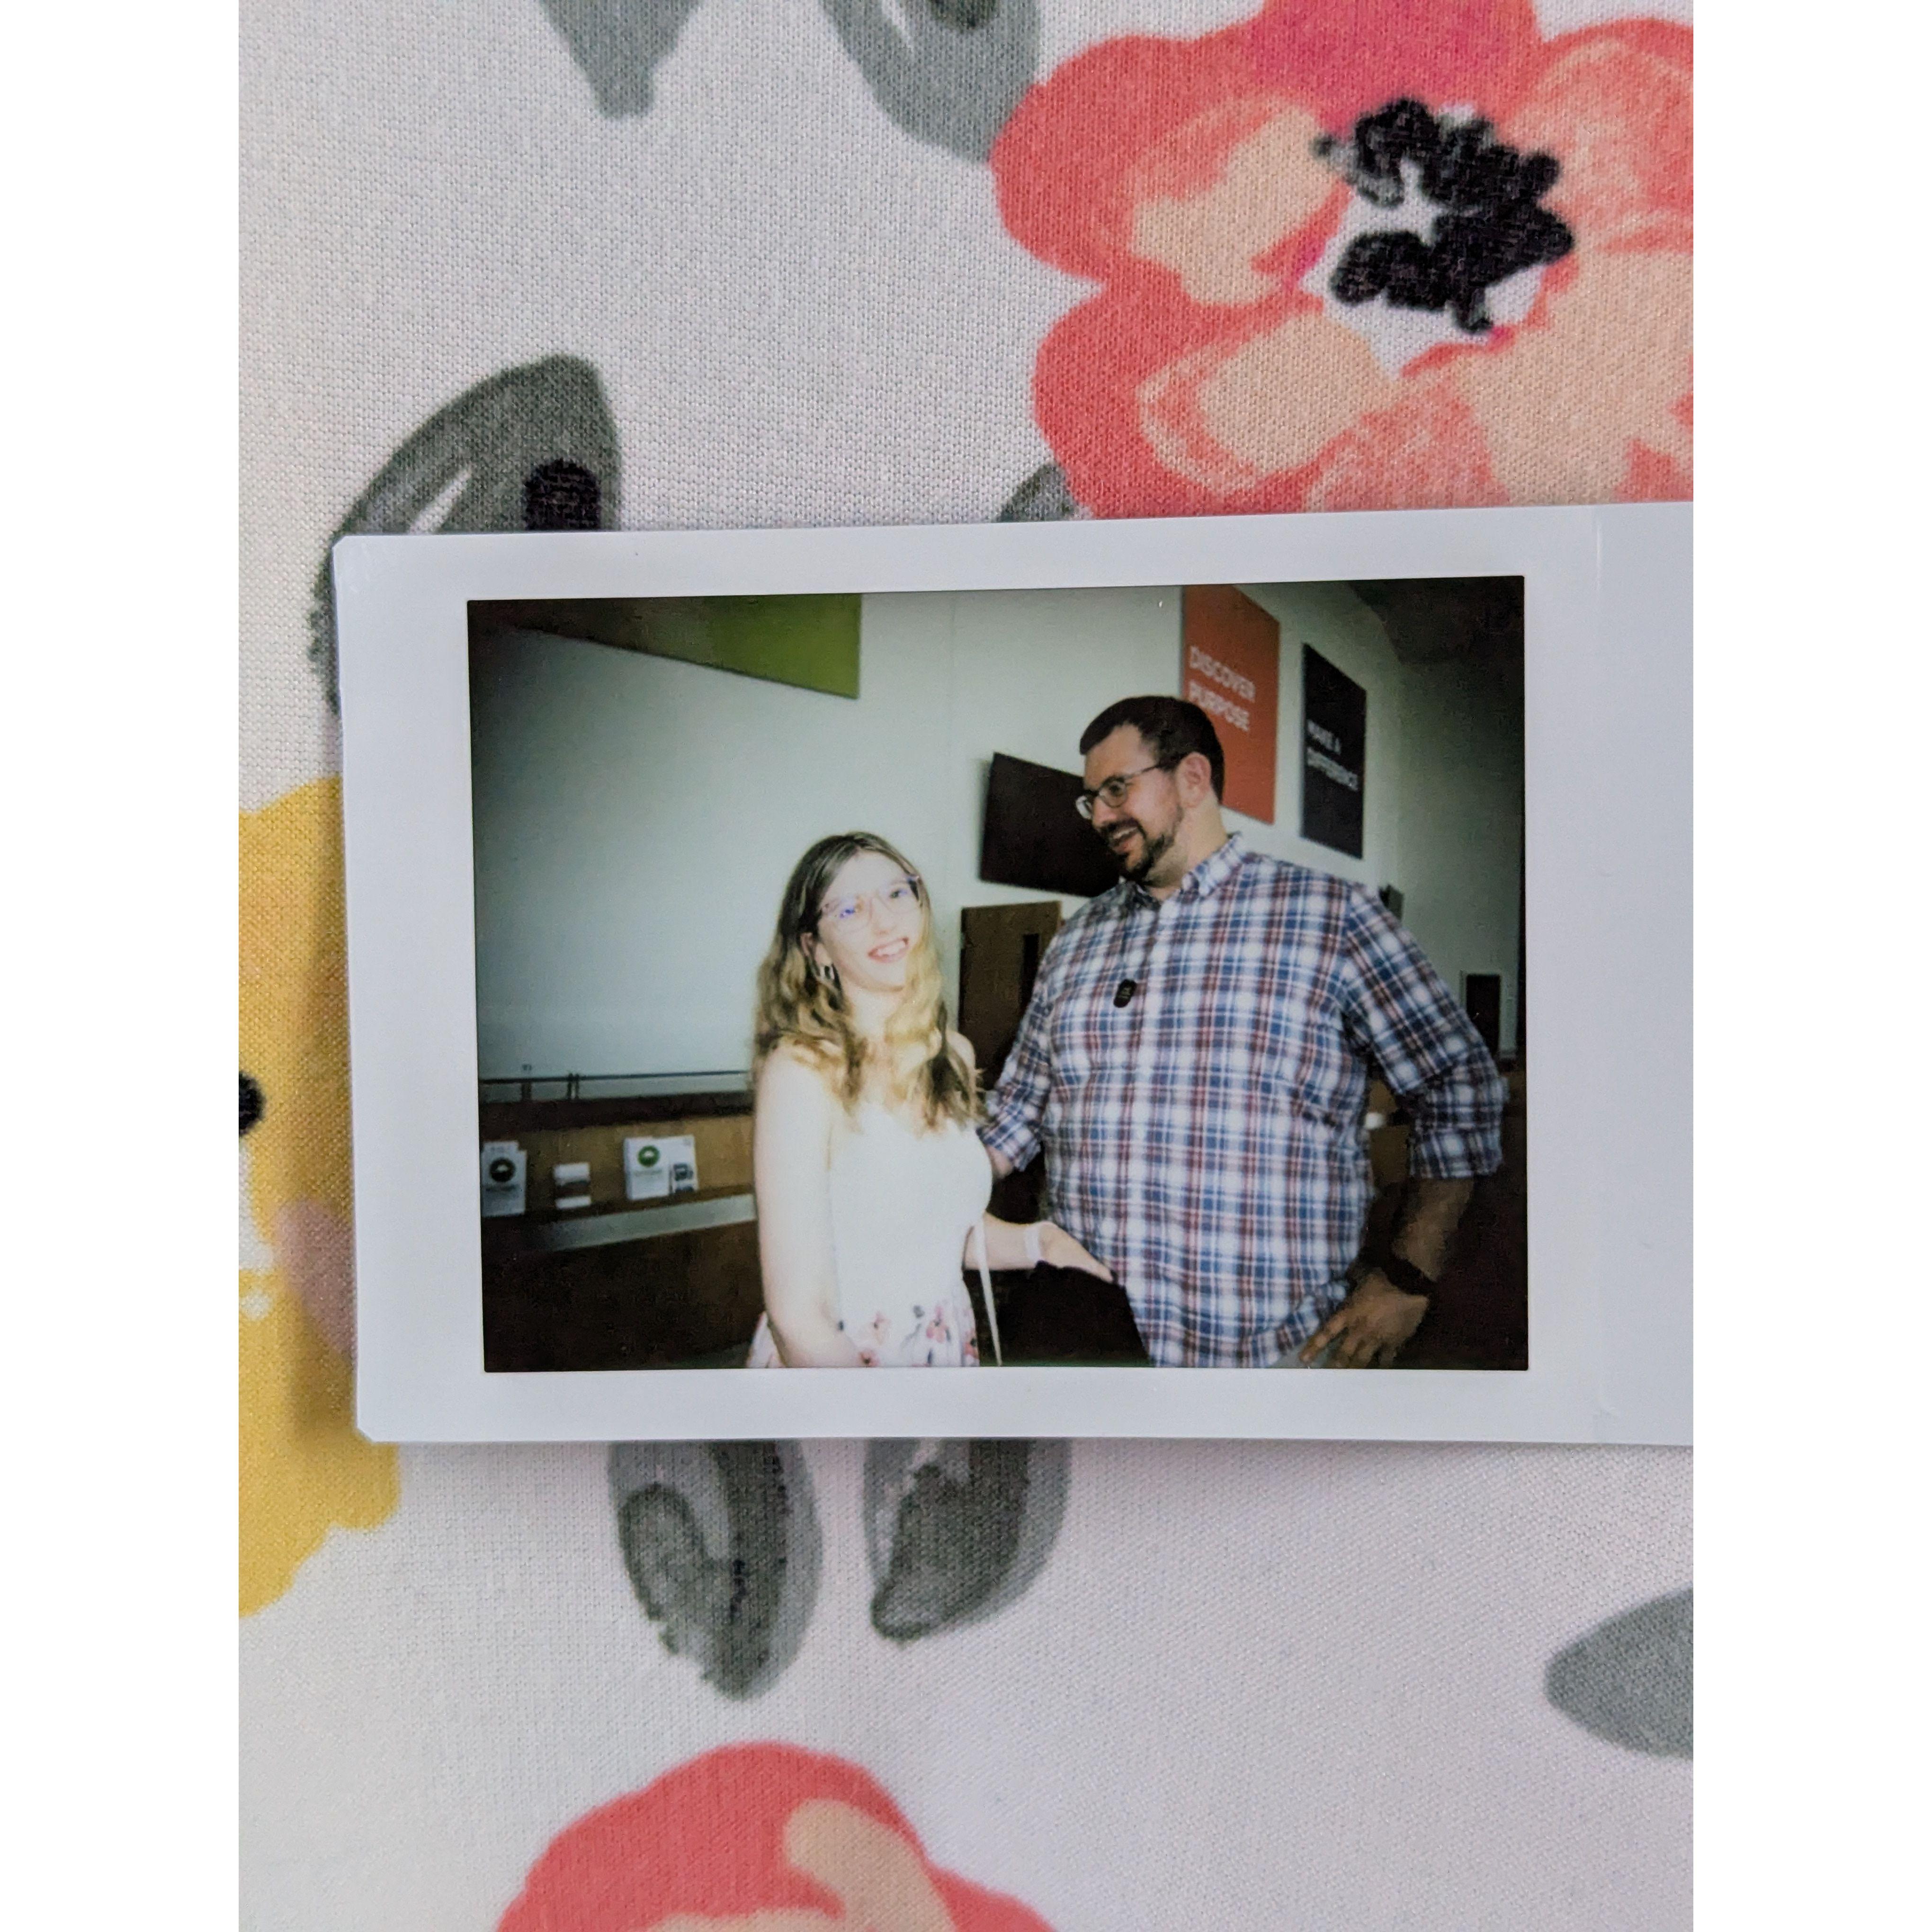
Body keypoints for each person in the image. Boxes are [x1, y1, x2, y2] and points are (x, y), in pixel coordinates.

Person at [981, 697, 1508, 1368]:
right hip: (1092, 1343)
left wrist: (1410, 1278)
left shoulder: (1332, 917)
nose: (1101, 817)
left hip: (1270, 1359)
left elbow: (1459, 1085)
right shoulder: (1076, 940)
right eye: (1092, 800)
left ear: (1192, 778)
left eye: (1117, 789)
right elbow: (1018, 1112)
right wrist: (904, 1173)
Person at [747, 832, 1110, 1367]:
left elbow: (936, 1228)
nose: (884, 922)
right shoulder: (802, 1070)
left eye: (897, 893)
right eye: (849, 909)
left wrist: (1042, 1242)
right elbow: (799, 1318)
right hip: (840, 1368)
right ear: (815, 948)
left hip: (943, 1348)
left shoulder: (953, 1055)